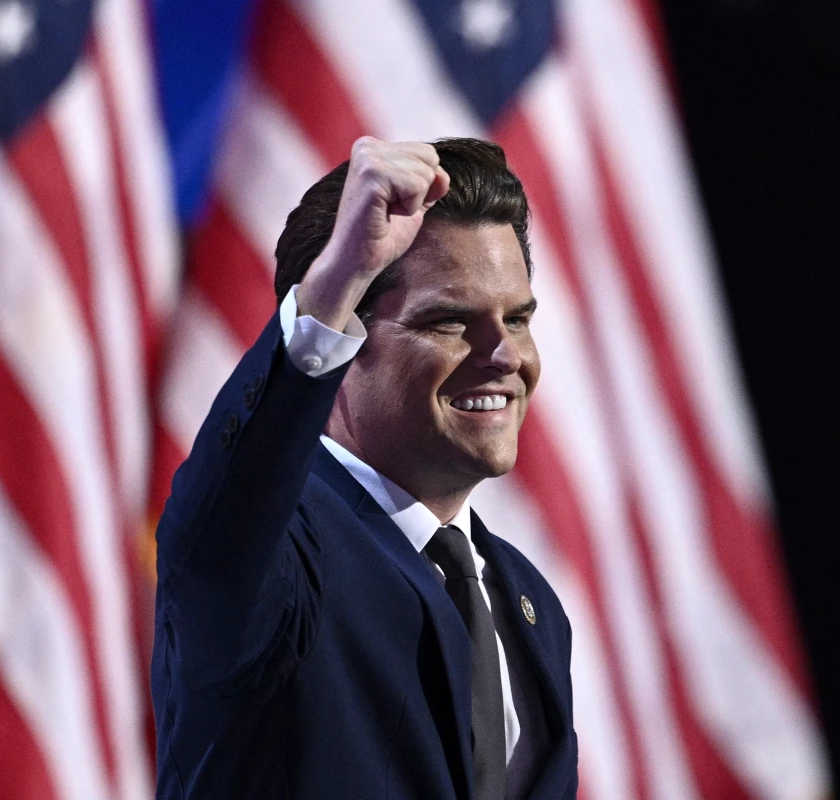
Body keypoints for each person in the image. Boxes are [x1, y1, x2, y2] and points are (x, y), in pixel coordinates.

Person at [151, 137, 577, 800]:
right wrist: (331, 289)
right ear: (346, 344)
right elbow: (220, 527)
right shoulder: (281, 558)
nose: (504, 354)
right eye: (450, 322)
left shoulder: (531, 602)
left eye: (517, 319)